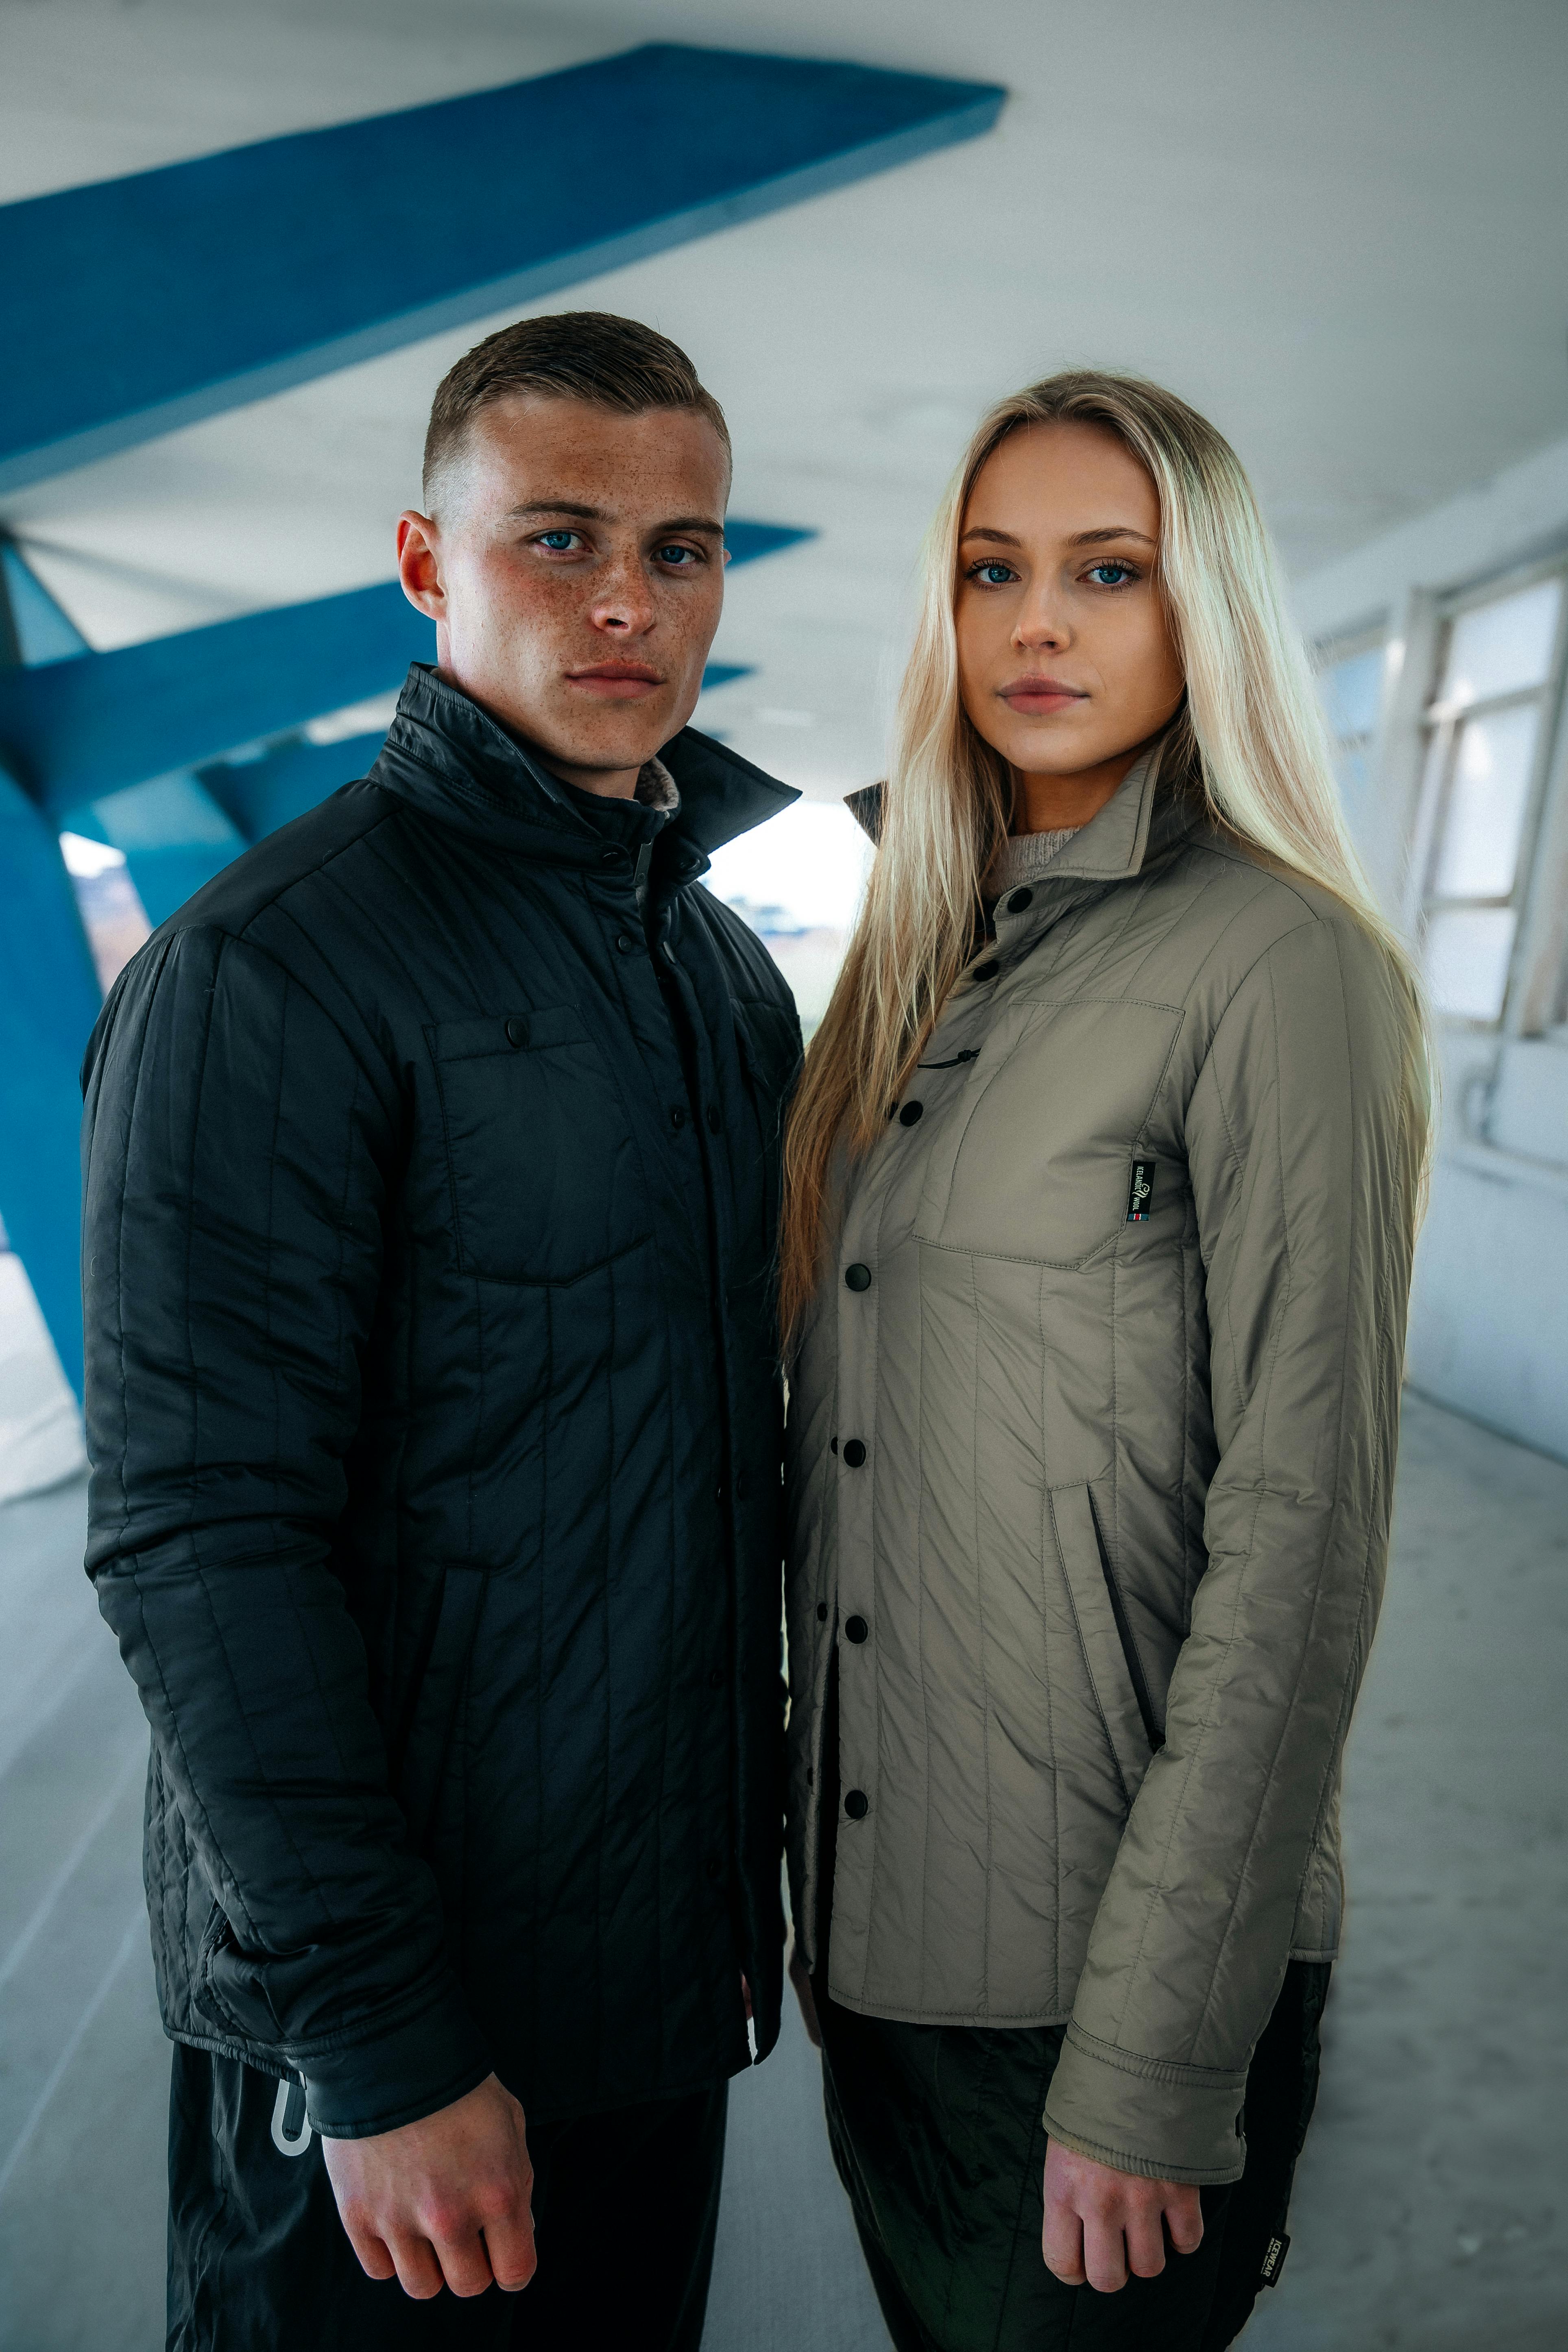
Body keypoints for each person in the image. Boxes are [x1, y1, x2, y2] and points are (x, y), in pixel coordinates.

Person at [80, 312, 803, 2351]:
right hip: (394, 2050)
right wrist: (381, 2043)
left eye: (678, 549)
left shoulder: (712, 972)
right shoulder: (272, 970)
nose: (625, 602)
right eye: (557, 538)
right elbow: (200, 1538)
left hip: (651, 1993)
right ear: (424, 563)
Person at [779, 371, 1428, 2351]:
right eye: (992, 572)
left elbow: (1300, 1542)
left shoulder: (1278, 965)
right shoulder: (920, 962)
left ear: (1202, 606)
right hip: (887, 1957)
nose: (1036, 624)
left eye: (1106, 572)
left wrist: (1153, 2056)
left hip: (1101, 1984)